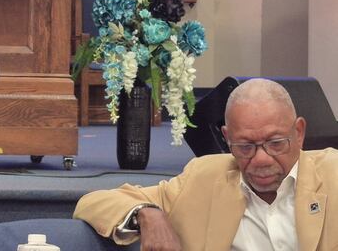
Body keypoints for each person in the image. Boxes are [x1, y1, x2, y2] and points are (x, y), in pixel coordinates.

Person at [75, 78, 338, 251]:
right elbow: (93, 202)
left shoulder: (332, 174)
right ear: (226, 138)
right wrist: (148, 213)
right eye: (245, 146)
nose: (261, 159)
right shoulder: (204, 178)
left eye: (276, 143)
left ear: (299, 132)